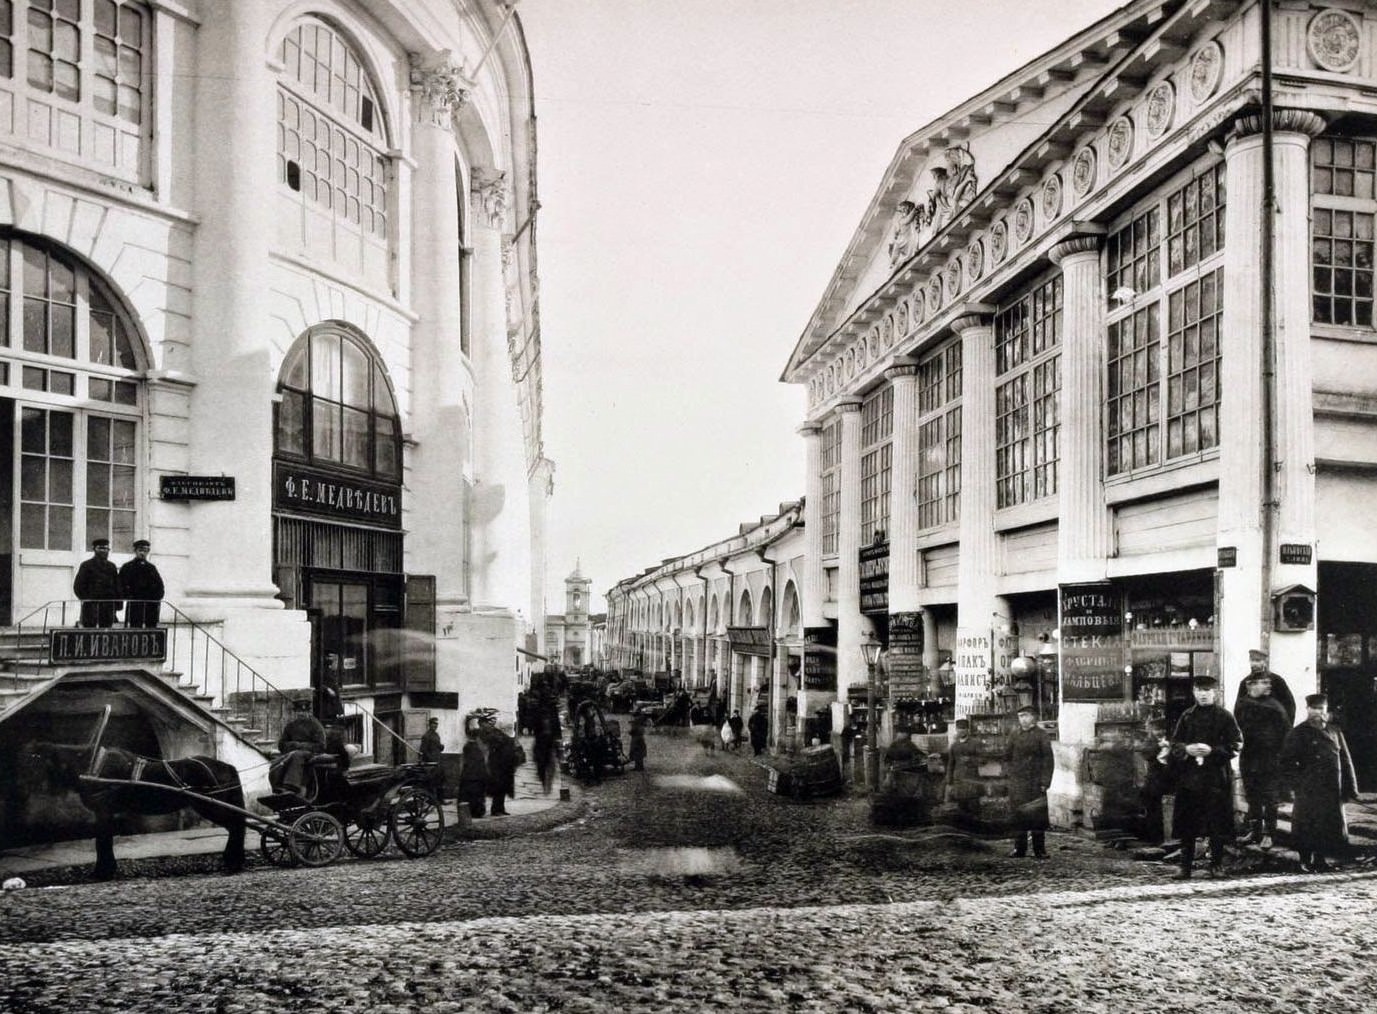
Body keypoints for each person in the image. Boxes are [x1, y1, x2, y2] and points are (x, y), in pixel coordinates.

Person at [1168, 676, 1242, 879]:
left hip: (1215, 777)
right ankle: (1185, 866)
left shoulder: (1225, 717)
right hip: (1190, 778)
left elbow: (1236, 744)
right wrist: (1186, 749)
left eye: (1207, 691)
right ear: (1194, 693)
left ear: (1214, 693)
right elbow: (1174, 744)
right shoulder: (1187, 716)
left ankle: (1217, 865)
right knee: (1187, 823)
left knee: (1216, 822)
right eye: (1199, 690)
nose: (1203, 694)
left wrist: (1213, 751)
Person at [1280, 693, 1359, 873]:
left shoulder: (1335, 731)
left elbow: (1345, 760)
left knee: (1327, 824)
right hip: (1308, 788)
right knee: (1306, 824)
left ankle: (1321, 859)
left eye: (1320, 709)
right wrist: (1296, 785)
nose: (1317, 712)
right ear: (1307, 710)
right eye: (1313, 709)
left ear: (1326, 711)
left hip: (1331, 787)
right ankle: (1304, 859)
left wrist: (1351, 787)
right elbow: (1286, 763)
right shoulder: (1298, 732)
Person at [1234, 669, 1292, 849]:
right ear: (1251, 685)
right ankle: (1255, 830)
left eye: (1269, 683)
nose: (1269, 686)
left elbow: (1286, 733)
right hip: (1249, 757)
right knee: (1252, 795)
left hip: (1270, 758)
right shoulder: (1242, 704)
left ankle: (1269, 834)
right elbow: (1237, 728)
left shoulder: (1275, 706)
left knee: (1270, 796)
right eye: (1264, 683)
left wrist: (1281, 756)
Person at [1005, 705, 1054, 858]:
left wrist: (1045, 781)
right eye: (1020, 716)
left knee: (1037, 815)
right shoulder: (1014, 734)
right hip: (1018, 782)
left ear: (1033, 717)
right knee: (1018, 815)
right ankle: (1019, 848)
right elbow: (1007, 756)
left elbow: (1048, 760)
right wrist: (1010, 775)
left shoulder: (1042, 735)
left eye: (1026, 715)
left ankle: (1039, 849)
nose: (1023, 719)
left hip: (1035, 782)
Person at [270, 701, 328, 798]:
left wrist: (300, 746)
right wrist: (293, 745)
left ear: (309, 712)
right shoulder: (290, 726)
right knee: (276, 762)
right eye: (299, 712)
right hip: (292, 753)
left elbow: (321, 746)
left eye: (303, 712)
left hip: (311, 754)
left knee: (297, 755)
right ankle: (277, 786)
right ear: (295, 713)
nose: (301, 714)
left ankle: (291, 786)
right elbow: (281, 744)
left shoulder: (315, 725)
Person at [1233, 648, 1296, 725]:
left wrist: (1286, 727)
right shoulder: (1245, 682)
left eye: (1258, 661)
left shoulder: (1277, 680)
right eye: (1252, 660)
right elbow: (1238, 708)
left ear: (1265, 662)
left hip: (1274, 728)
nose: (1254, 664)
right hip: (1252, 729)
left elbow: (1289, 705)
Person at [74, 538, 120, 628]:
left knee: (106, 632)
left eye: (106, 548)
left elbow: (117, 585)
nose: (104, 551)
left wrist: (117, 605)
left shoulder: (112, 566)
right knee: (90, 632)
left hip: (108, 608)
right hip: (91, 607)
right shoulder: (86, 565)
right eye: (101, 548)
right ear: (94, 549)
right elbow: (78, 586)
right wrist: (88, 599)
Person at [943, 718, 982, 824]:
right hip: (958, 779)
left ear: (967, 730)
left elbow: (983, 760)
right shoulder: (954, 745)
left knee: (974, 806)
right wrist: (949, 781)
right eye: (959, 729)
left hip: (972, 779)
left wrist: (971, 760)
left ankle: (976, 828)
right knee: (961, 806)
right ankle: (964, 829)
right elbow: (950, 763)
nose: (961, 731)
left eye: (963, 729)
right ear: (956, 729)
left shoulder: (975, 743)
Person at [118, 539, 164, 628]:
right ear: (135, 551)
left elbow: (159, 585)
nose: (143, 553)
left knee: (151, 628)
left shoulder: (151, 568)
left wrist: (156, 597)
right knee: (135, 628)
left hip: (150, 605)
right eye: (140, 550)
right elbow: (121, 584)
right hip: (135, 603)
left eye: (146, 551)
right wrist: (129, 596)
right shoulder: (127, 567)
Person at [480, 717, 519, 816]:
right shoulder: (484, 734)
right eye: (487, 723)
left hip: (504, 763)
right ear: (482, 724)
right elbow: (490, 745)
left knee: (504, 786)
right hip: (495, 763)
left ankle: (501, 808)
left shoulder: (496, 731)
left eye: (491, 722)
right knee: (497, 786)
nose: (490, 724)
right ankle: (495, 809)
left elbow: (506, 740)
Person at [458, 737, 489, 818]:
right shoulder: (478, 749)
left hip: (469, 776)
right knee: (477, 796)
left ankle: (470, 812)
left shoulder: (467, 747)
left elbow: (464, 762)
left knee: (468, 795)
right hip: (477, 777)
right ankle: (477, 812)